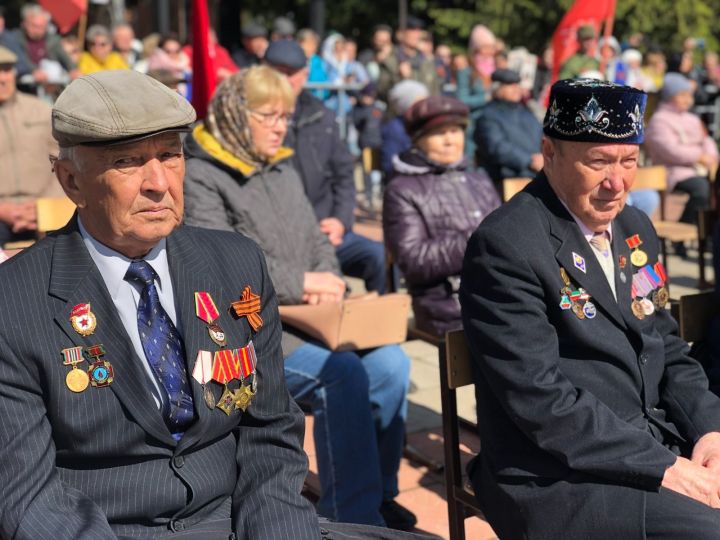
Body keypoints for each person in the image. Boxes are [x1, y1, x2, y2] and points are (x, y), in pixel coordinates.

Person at [0, 68, 425, 540]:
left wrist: (279, 532)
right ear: (72, 182)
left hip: (239, 522)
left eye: (170, 155)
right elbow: (28, 494)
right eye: (128, 162)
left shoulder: (233, 264)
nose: (159, 182)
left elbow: (270, 430)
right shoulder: (16, 300)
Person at [460, 78, 720, 539]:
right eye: (598, 161)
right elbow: (540, 401)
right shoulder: (507, 244)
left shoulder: (635, 226)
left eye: (629, 161)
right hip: (558, 475)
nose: (616, 182)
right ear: (550, 151)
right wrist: (668, 469)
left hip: (646, 444)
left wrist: (709, 431)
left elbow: (667, 346)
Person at [181, 66, 416, 531]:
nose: (279, 125)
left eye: (285, 115)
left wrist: (328, 279)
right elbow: (222, 259)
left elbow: (316, 238)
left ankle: (377, 495)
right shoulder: (202, 175)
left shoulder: (281, 167)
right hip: (243, 329)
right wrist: (304, 283)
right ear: (234, 115)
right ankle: (352, 519)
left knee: (392, 365)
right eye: (267, 115)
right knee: (342, 376)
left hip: (308, 316)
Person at [264, 39, 387, 294]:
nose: (284, 80)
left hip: (327, 228)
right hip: (279, 239)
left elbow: (344, 176)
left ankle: (385, 330)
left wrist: (340, 221)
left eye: (291, 73)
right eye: (277, 72)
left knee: (378, 256)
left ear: (305, 75)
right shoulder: (252, 121)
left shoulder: (322, 116)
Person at [383, 96, 499, 337]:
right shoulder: (402, 189)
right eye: (439, 133)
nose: (450, 140)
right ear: (418, 140)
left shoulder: (479, 179)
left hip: (499, 294)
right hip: (448, 305)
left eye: (455, 131)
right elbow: (414, 260)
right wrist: (477, 241)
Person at [645, 72, 718, 255]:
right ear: (671, 96)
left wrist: (710, 156)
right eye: (683, 95)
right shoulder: (659, 120)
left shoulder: (692, 118)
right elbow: (670, 150)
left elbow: (706, 140)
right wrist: (699, 156)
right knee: (701, 189)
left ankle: (707, 234)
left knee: (714, 188)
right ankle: (684, 233)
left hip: (700, 169)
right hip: (673, 171)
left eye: (689, 94)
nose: (688, 99)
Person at [0, 45, 63, 246]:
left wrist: (42, 206)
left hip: (47, 208)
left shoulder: (41, 110)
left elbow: (64, 161)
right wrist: (2, 210)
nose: (2, 78)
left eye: (7, 70)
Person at [473, 69, 543, 185]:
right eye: (510, 85)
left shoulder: (527, 112)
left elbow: (542, 136)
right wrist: (529, 160)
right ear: (497, 88)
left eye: (517, 85)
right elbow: (496, 147)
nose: (516, 89)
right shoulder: (488, 116)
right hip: (507, 180)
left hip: (536, 176)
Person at [7, 3, 77, 87]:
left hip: (51, 86)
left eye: (41, 27)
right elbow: (20, 59)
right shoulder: (13, 39)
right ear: (24, 23)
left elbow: (64, 57)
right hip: (23, 86)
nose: (37, 30)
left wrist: (73, 69)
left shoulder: (53, 40)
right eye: (34, 26)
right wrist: (34, 71)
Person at [377, 16, 440, 100]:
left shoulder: (427, 61)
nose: (417, 35)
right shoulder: (390, 61)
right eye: (412, 30)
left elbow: (435, 92)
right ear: (400, 35)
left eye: (418, 30)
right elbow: (382, 91)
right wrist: (400, 77)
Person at [380, 80, 429, 178]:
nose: (426, 105)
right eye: (420, 101)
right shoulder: (394, 129)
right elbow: (390, 164)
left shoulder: (425, 124)